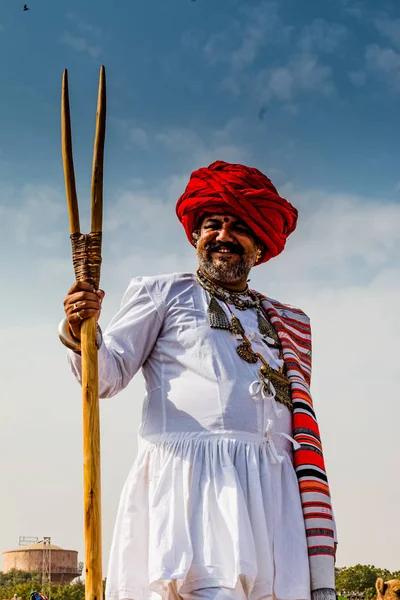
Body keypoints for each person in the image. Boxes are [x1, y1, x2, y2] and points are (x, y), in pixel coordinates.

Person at [60, 161, 337, 600]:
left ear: (260, 246)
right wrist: (80, 332)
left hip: (275, 494)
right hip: (193, 487)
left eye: (239, 227)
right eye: (213, 225)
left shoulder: (287, 321)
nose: (223, 236)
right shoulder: (162, 293)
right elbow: (107, 376)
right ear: (196, 235)